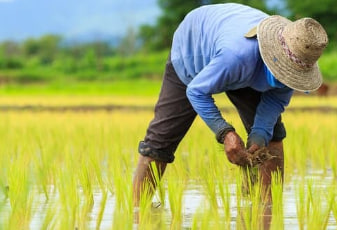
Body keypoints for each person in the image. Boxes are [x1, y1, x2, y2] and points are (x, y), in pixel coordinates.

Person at [133, 3, 328, 208]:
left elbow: (275, 100)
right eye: (284, 71)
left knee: (271, 138)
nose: (288, 78)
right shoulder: (237, 55)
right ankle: (137, 212)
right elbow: (196, 91)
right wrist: (225, 132)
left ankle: (266, 210)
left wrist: (259, 135)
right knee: (159, 142)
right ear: (273, 59)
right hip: (194, 51)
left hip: (245, 64)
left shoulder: (298, 57)